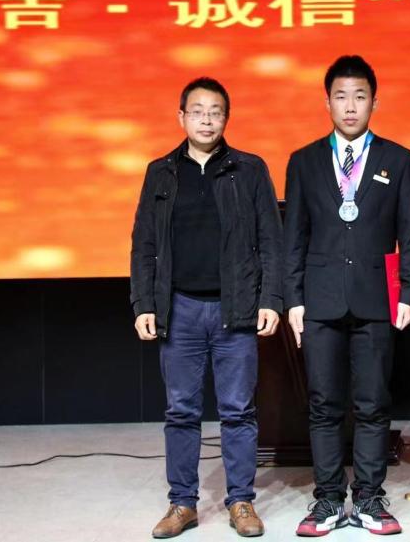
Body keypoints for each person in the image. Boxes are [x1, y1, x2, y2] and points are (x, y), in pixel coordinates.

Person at [130, 77, 283, 538]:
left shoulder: (249, 169)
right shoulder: (161, 172)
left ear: (226, 118)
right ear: (181, 117)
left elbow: (270, 240)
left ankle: (241, 501)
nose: (206, 120)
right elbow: (144, 243)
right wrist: (143, 302)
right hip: (178, 310)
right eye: (197, 111)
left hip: (234, 310)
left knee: (238, 410)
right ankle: (182, 504)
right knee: (181, 411)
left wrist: (271, 299)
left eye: (215, 112)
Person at [283, 55, 410, 537]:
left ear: (374, 103)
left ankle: (368, 497)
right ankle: (327, 498)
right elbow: (294, 236)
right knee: (323, 404)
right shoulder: (303, 161)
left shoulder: (397, 159)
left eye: (359, 97)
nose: (350, 106)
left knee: (372, 404)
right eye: (340, 97)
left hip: (377, 299)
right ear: (327, 102)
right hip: (319, 299)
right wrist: (293, 298)